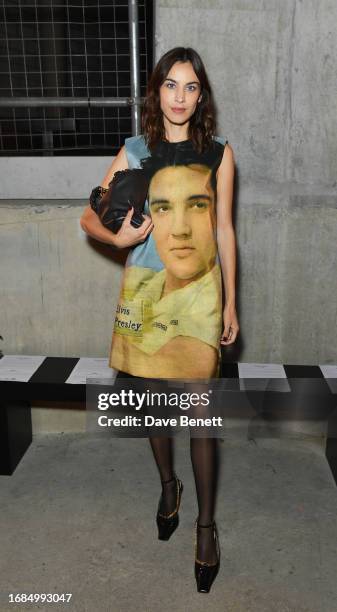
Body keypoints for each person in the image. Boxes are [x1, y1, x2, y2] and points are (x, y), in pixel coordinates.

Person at [80, 46, 239, 593]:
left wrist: (233, 302)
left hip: (202, 293)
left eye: (190, 87)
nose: (179, 96)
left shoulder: (219, 155)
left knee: (199, 416)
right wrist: (117, 236)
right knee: (154, 408)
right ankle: (168, 486)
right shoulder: (134, 148)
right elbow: (89, 214)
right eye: (170, 85)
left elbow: (225, 232)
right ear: (157, 91)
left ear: (201, 96)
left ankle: (205, 527)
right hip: (145, 290)